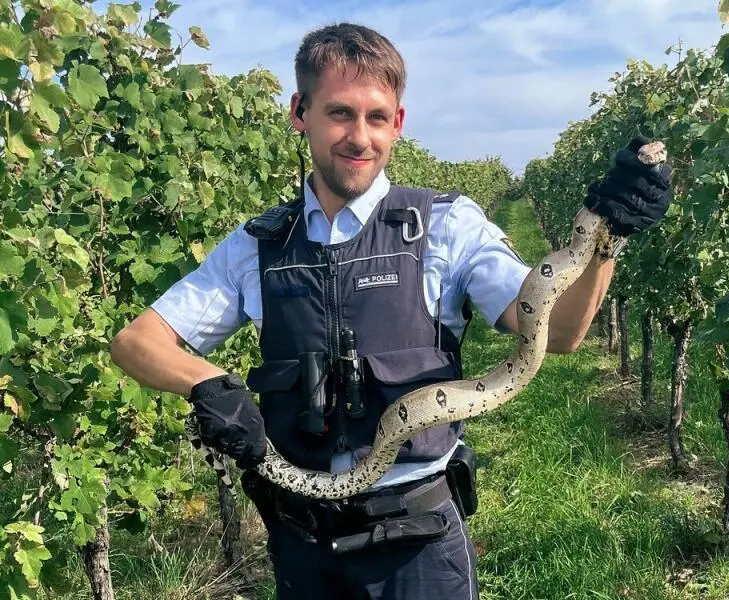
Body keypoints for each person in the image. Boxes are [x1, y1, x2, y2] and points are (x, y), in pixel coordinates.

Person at [110, 22, 671, 600]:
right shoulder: (257, 245)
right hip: (302, 543)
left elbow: (560, 333)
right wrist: (208, 384)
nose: (359, 137)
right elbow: (136, 342)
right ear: (300, 112)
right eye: (339, 113)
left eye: (377, 117)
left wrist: (607, 238)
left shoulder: (447, 226)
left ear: (397, 124)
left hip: (416, 539)